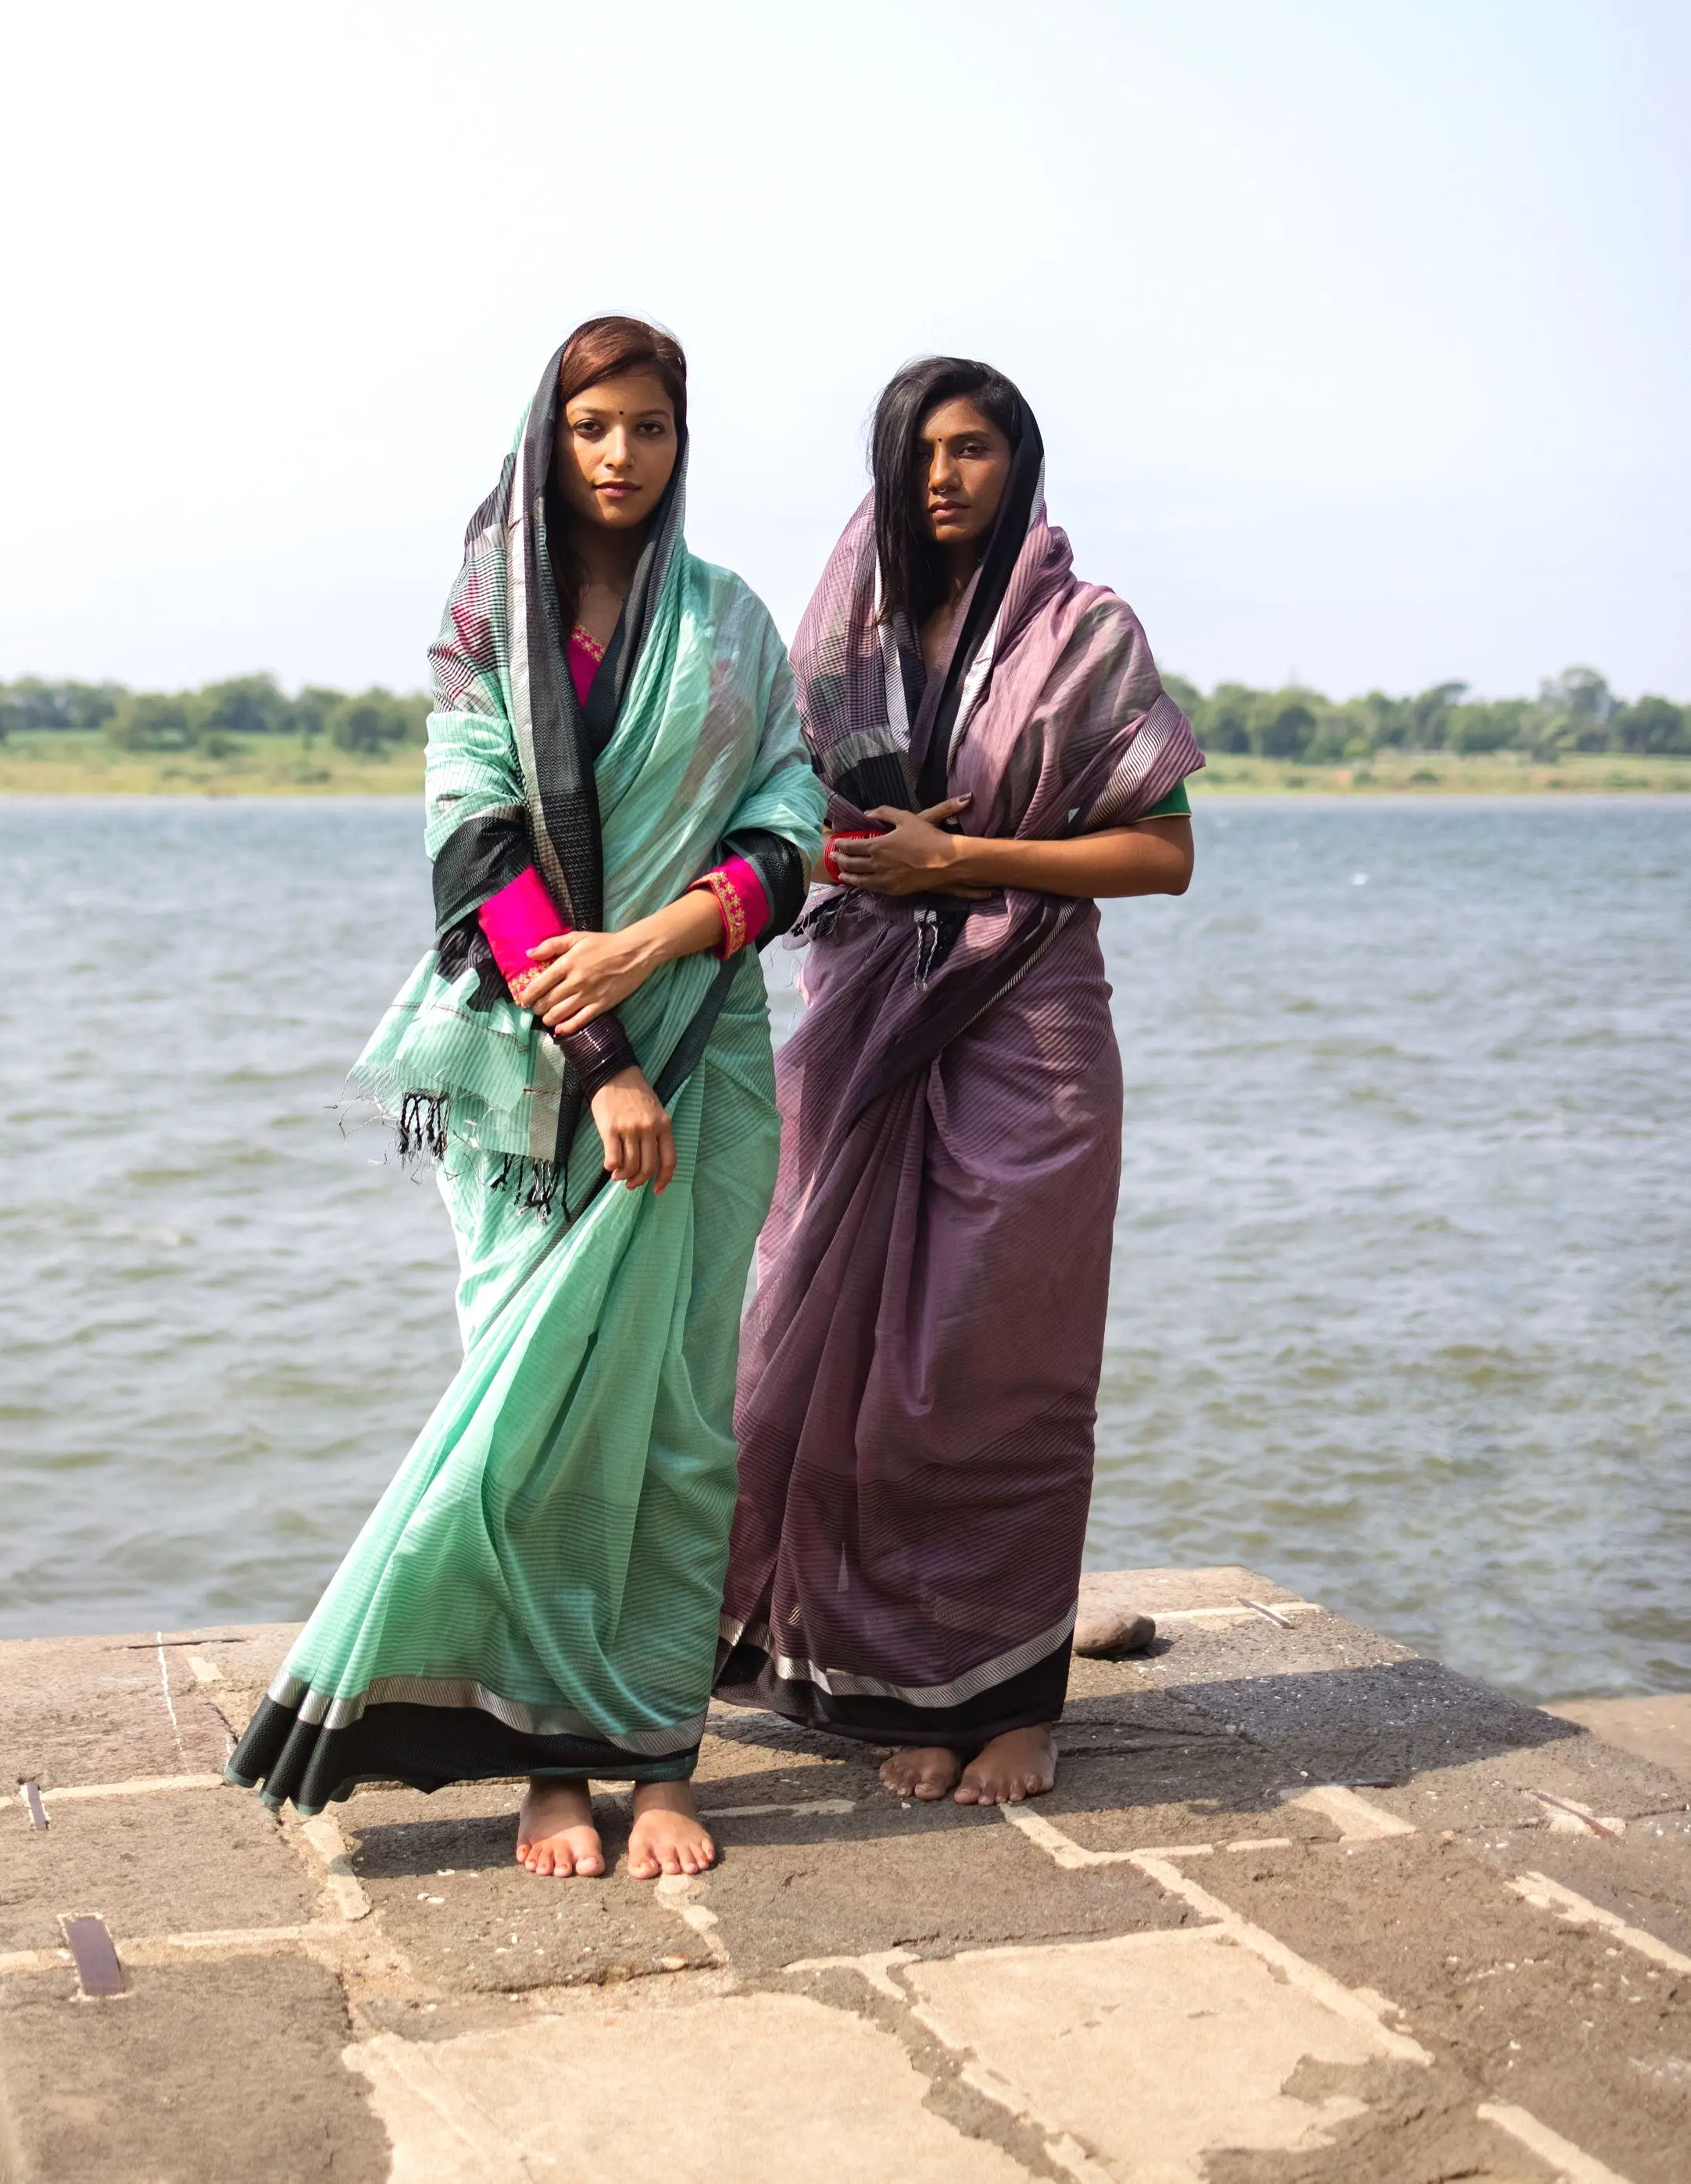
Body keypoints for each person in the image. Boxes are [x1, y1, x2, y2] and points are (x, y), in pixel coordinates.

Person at [227, 316, 825, 1878]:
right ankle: (546, 1765)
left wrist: (657, 944)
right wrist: (604, 1057)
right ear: (548, 437)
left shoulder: (735, 627)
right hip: (533, 1073)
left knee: (687, 1424)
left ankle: (660, 1757)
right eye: (593, 427)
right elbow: (476, 849)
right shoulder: (486, 620)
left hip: (714, 1048)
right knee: (534, 1416)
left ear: (684, 444)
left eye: (650, 427)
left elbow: (794, 828)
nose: (622, 454)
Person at [717, 356, 1199, 1805]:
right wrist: (860, 860)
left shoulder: (1084, 632)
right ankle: (896, 1692)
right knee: (854, 1371)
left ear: (1019, 464)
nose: (943, 475)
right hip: (860, 1020)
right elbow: (788, 826)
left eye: (975, 447)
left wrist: (965, 859)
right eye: (919, 450)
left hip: (1029, 1038)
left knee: (999, 1371)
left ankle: (1017, 1699)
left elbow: (1162, 852)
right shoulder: (840, 650)